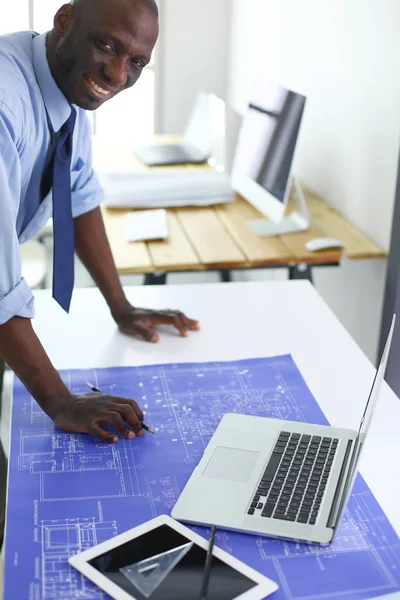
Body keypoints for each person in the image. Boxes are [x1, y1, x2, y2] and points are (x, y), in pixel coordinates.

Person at [0, 0, 200, 447]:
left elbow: (79, 193)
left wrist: (121, 306)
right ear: (65, 21)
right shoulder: (4, 102)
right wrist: (60, 402)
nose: (116, 74)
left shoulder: (66, 86)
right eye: (107, 45)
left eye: (137, 62)